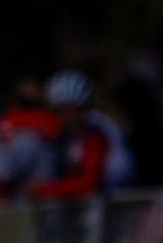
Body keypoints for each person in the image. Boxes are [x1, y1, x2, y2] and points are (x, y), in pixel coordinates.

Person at [30, 69, 136, 200]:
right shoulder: (69, 133)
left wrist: (44, 189)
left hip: (116, 201)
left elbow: (88, 184)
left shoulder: (95, 133)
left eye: (70, 111)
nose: (64, 118)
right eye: (59, 111)